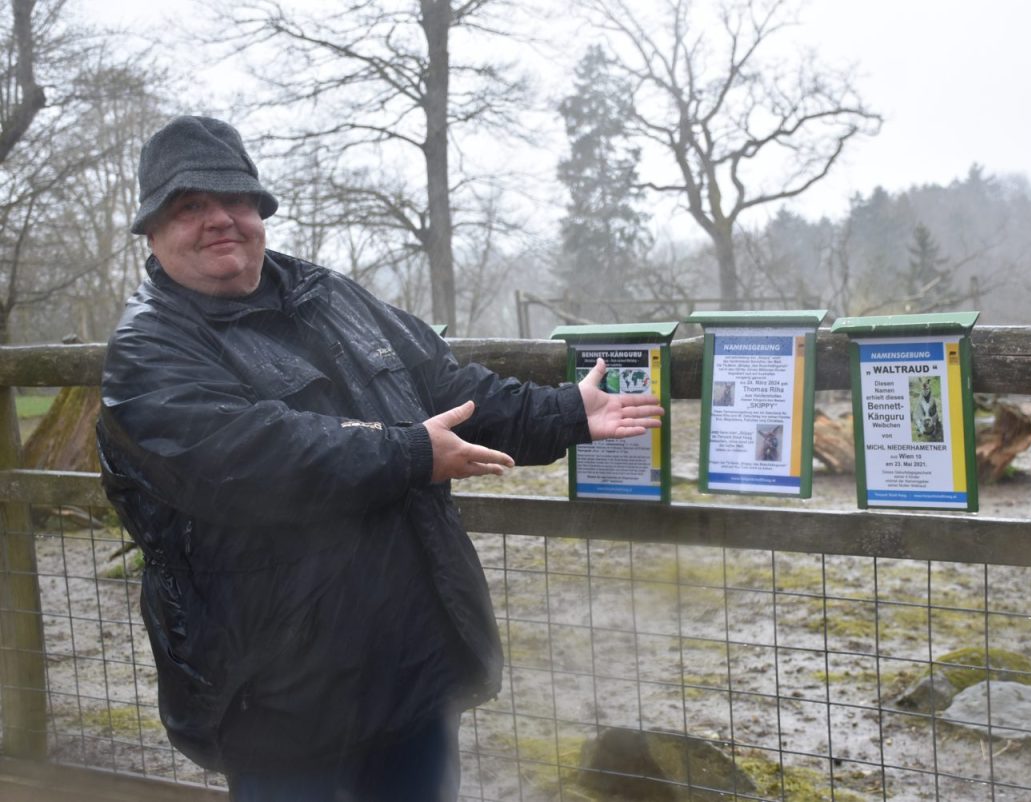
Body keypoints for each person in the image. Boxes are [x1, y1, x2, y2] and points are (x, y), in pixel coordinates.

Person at [95, 115, 663, 801]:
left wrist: (567, 413)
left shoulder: (329, 297)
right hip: (278, 697)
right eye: (190, 207)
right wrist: (413, 452)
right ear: (153, 231)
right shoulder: (148, 348)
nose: (219, 219)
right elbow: (251, 458)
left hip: (408, 672)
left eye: (234, 200)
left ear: (260, 212)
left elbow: (452, 391)